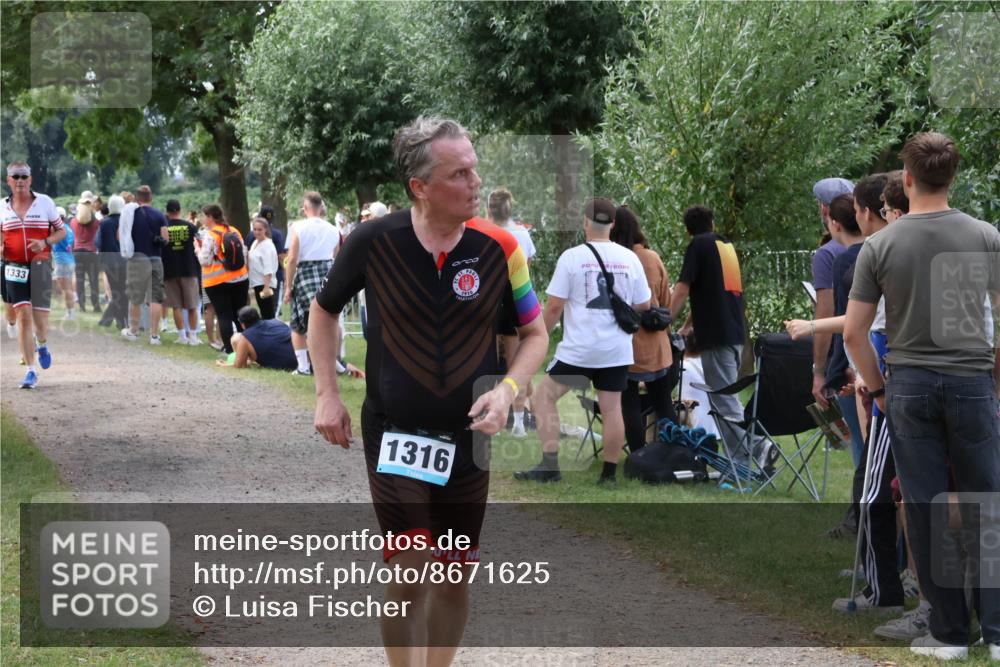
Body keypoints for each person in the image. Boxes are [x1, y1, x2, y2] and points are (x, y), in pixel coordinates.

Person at [309, 116, 548, 665]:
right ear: (420, 187)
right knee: (411, 568)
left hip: (469, 437)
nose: (475, 182)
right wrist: (327, 393)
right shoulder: (373, 241)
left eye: (475, 169)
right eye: (460, 173)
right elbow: (323, 313)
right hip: (395, 430)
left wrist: (508, 389)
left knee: (455, 575)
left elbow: (534, 334)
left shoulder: (501, 248)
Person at [846, 133, 1000, 661]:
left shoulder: (881, 245)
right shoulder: (985, 236)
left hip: (909, 383)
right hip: (973, 380)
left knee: (928, 505)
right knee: (986, 502)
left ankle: (950, 632)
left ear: (906, 179)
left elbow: (854, 333)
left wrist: (880, 388)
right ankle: (997, 630)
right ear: (952, 178)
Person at [516, 197, 651, 485]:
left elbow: (554, 307)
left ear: (585, 222)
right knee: (612, 407)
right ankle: (609, 475)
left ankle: (550, 465)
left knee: (543, 397)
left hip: (579, 350)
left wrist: (537, 336)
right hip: (616, 349)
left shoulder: (572, 257)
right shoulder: (630, 259)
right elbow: (643, 304)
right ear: (613, 225)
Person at [668, 205, 757, 465]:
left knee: (724, 400)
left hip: (716, 337)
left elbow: (684, 289)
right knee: (725, 398)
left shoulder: (697, 245)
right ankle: (743, 457)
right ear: (713, 223)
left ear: (688, 230)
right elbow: (711, 294)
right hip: (735, 333)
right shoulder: (725, 248)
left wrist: (667, 321)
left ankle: (752, 454)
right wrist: (686, 326)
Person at [610, 205, 677, 451]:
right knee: (663, 403)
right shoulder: (652, 257)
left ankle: (638, 455)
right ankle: (673, 450)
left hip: (626, 345)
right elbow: (665, 300)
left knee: (630, 405)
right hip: (657, 346)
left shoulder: (614, 261)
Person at [1, 162, 66, 388]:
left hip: (40, 265)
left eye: (23, 176)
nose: (19, 181)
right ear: (9, 180)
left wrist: (45, 242)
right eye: (15, 177)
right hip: (14, 267)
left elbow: (62, 231)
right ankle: (30, 370)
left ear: (30, 179)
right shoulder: (2, 207)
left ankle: (43, 343)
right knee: (23, 317)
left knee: (40, 322)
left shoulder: (45, 202)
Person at [487, 187, 537, 437]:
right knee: (517, 363)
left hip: (488, 302)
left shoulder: (484, 232)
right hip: (515, 302)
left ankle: (489, 414)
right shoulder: (522, 234)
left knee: (487, 361)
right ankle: (518, 422)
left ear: (489, 209)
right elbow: (525, 273)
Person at [284, 191, 340, 375]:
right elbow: (337, 256)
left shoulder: (298, 227)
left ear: (305, 208)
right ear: (321, 208)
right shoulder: (333, 228)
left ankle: (303, 367)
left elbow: (292, 258)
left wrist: (287, 286)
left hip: (306, 271)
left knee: (299, 321)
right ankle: (335, 362)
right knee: (330, 319)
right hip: (328, 271)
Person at [196, 203, 249, 354]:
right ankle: (247, 346)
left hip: (217, 282)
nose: (203, 219)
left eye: (204, 216)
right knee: (240, 313)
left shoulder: (210, 236)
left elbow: (204, 260)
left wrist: (197, 249)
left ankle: (230, 350)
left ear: (211, 217)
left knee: (224, 315)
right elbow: (243, 253)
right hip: (240, 278)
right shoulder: (234, 231)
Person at [121, 185, 169, 345]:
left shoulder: (131, 214)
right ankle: (154, 336)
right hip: (156, 258)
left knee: (135, 297)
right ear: (151, 197)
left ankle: (133, 331)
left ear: (137, 197)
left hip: (137, 258)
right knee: (155, 297)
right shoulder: (159, 214)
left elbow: (120, 236)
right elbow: (166, 239)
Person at [162, 199, 202, 345]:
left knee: (176, 305)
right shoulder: (191, 226)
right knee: (192, 305)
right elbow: (200, 243)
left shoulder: (164, 227)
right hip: (189, 269)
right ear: (180, 210)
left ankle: (182, 336)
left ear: (167, 211)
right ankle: (193, 336)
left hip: (170, 269)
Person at [96, 195, 128, 329]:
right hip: (125, 261)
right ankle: (123, 321)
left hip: (109, 262)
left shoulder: (104, 223)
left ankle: (116, 321)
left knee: (116, 292)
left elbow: (98, 243)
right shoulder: (127, 221)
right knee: (124, 292)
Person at [71, 190, 102, 314]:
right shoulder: (95, 222)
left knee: (80, 279)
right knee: (93, 280)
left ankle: (82, 306)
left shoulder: (73, 221)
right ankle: (96, 306)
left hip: (77, 251)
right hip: (91, 252)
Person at [248, 216, 279, 319]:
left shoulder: (267, 245)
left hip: (265, 284)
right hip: (257, 283)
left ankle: (272, 334)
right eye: (255, 229)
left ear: (265, 229)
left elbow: (268, 269)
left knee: (268, 314)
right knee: (264, 313)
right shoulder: (255, 242)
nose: (256, 232)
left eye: (259, 229)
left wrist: (266, 287)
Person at [51, 212, 76, 319]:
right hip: (70, 260)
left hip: (62, 261)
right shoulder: (68, 228)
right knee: (68, 287)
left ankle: (70, 313)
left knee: (66, 289)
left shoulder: (58, 229)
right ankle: (70, 311)